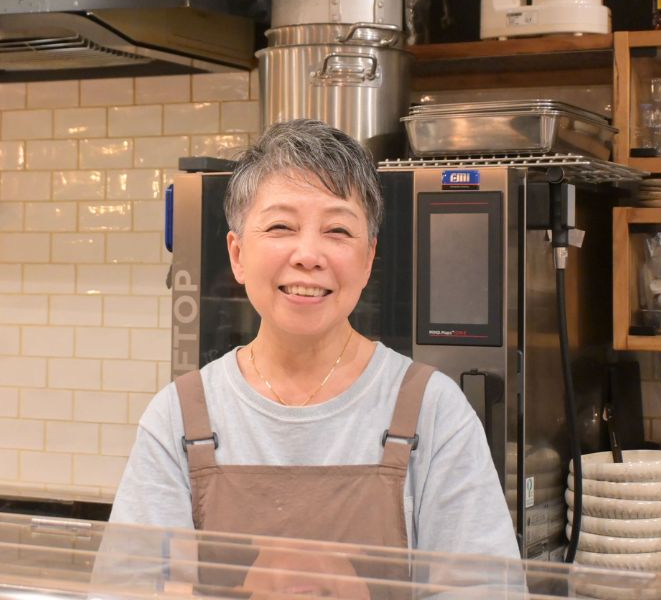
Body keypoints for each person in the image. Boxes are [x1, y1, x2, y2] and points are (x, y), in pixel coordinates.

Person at [108, 119, 519, 565]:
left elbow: (481, 587)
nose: (308, 256)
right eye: (281, 227)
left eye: (337, 231)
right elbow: (134, 585)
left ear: (368, 259)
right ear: (238, 254)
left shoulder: (434, 411)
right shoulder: (177, 418)